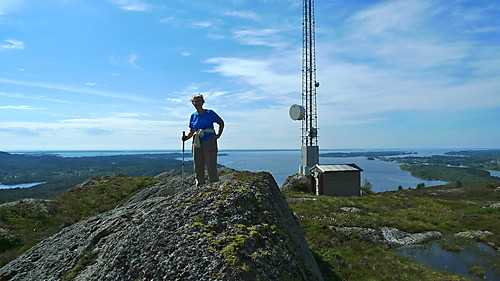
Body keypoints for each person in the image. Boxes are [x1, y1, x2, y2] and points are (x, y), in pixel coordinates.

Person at [182, 94, 224, 186]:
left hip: (209, 140)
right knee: (198, 163)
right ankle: (200, 183)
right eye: (195, 101)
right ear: (192, 103)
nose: (196, 103)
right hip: (197, 141)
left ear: (203, 102)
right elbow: (192, 130)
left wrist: (218, 135)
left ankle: (214, 183)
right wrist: (187, 138)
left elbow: (221, 122)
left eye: (198, 101)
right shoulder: (193, 116)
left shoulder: (210, 113)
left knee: (211, 162)